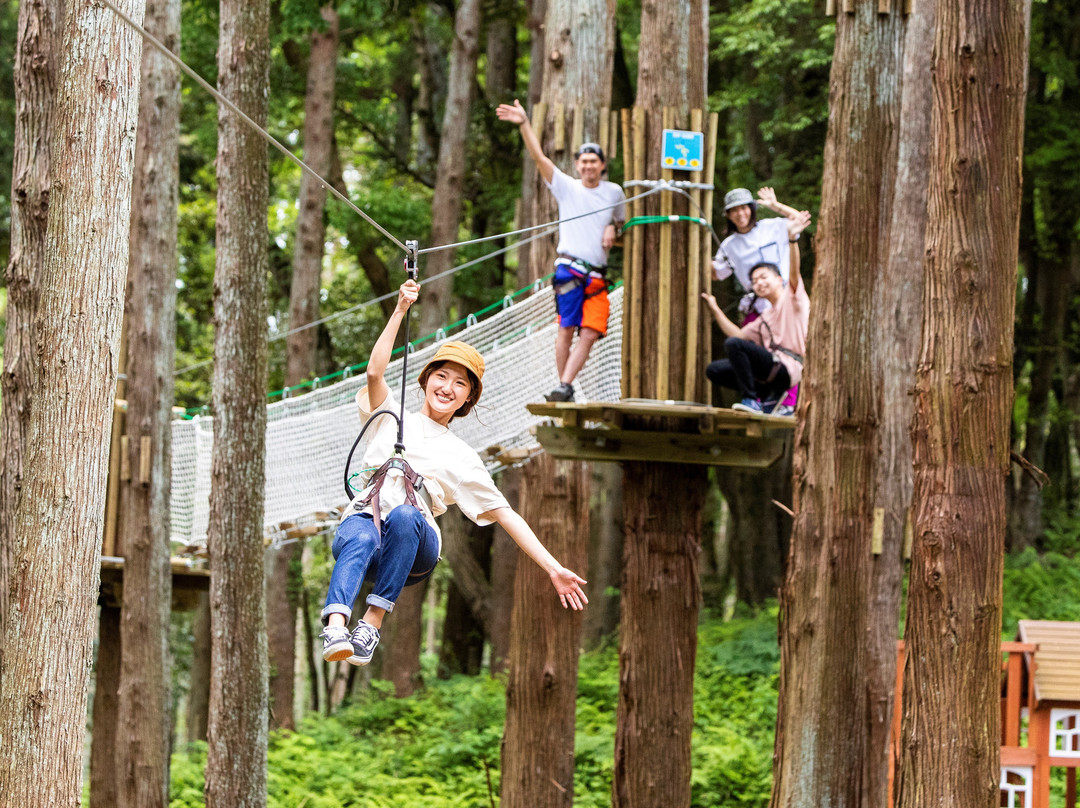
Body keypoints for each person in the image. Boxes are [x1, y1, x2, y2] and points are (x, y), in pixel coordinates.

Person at [320, 279, 588, 666]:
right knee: (360, 533)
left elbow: (505, 514)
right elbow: (375, 374)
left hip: (414, 544)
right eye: (442, 376)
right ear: (426, 379)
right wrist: (399, 310)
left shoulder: (462, 456)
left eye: (460, 383)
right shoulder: (389, 415)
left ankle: (371, 624)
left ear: (467, 398)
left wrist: (553, 567)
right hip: (365, 524)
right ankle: (335, 626)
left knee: (406, 514)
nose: (447, 387)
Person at [496, 99, 626, 403]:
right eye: (583, 161)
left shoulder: (614, 192)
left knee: (592, 332)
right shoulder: (567, 187)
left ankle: (565, 385)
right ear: (577, 165)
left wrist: (614, 228)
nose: (589, 166)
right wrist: (524, 124)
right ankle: (565, 386)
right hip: (569, 269)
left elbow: (621, 223)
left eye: (594, 161)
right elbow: (539, 157)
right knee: (566, 330)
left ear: (602, 166)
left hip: (597, 277)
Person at [701, 211, 812, 415]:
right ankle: (768, 396)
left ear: (779, 279)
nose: (759, 283)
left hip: (789, 367)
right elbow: (739, 336)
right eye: (754, 281)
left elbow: (794, 273)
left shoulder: (793, 298)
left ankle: (752, 400)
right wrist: (715, 309)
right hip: (773, 369)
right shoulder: (766, 317)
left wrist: (792, 240)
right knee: (714, 370)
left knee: (735, 346)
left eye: (763, 277)